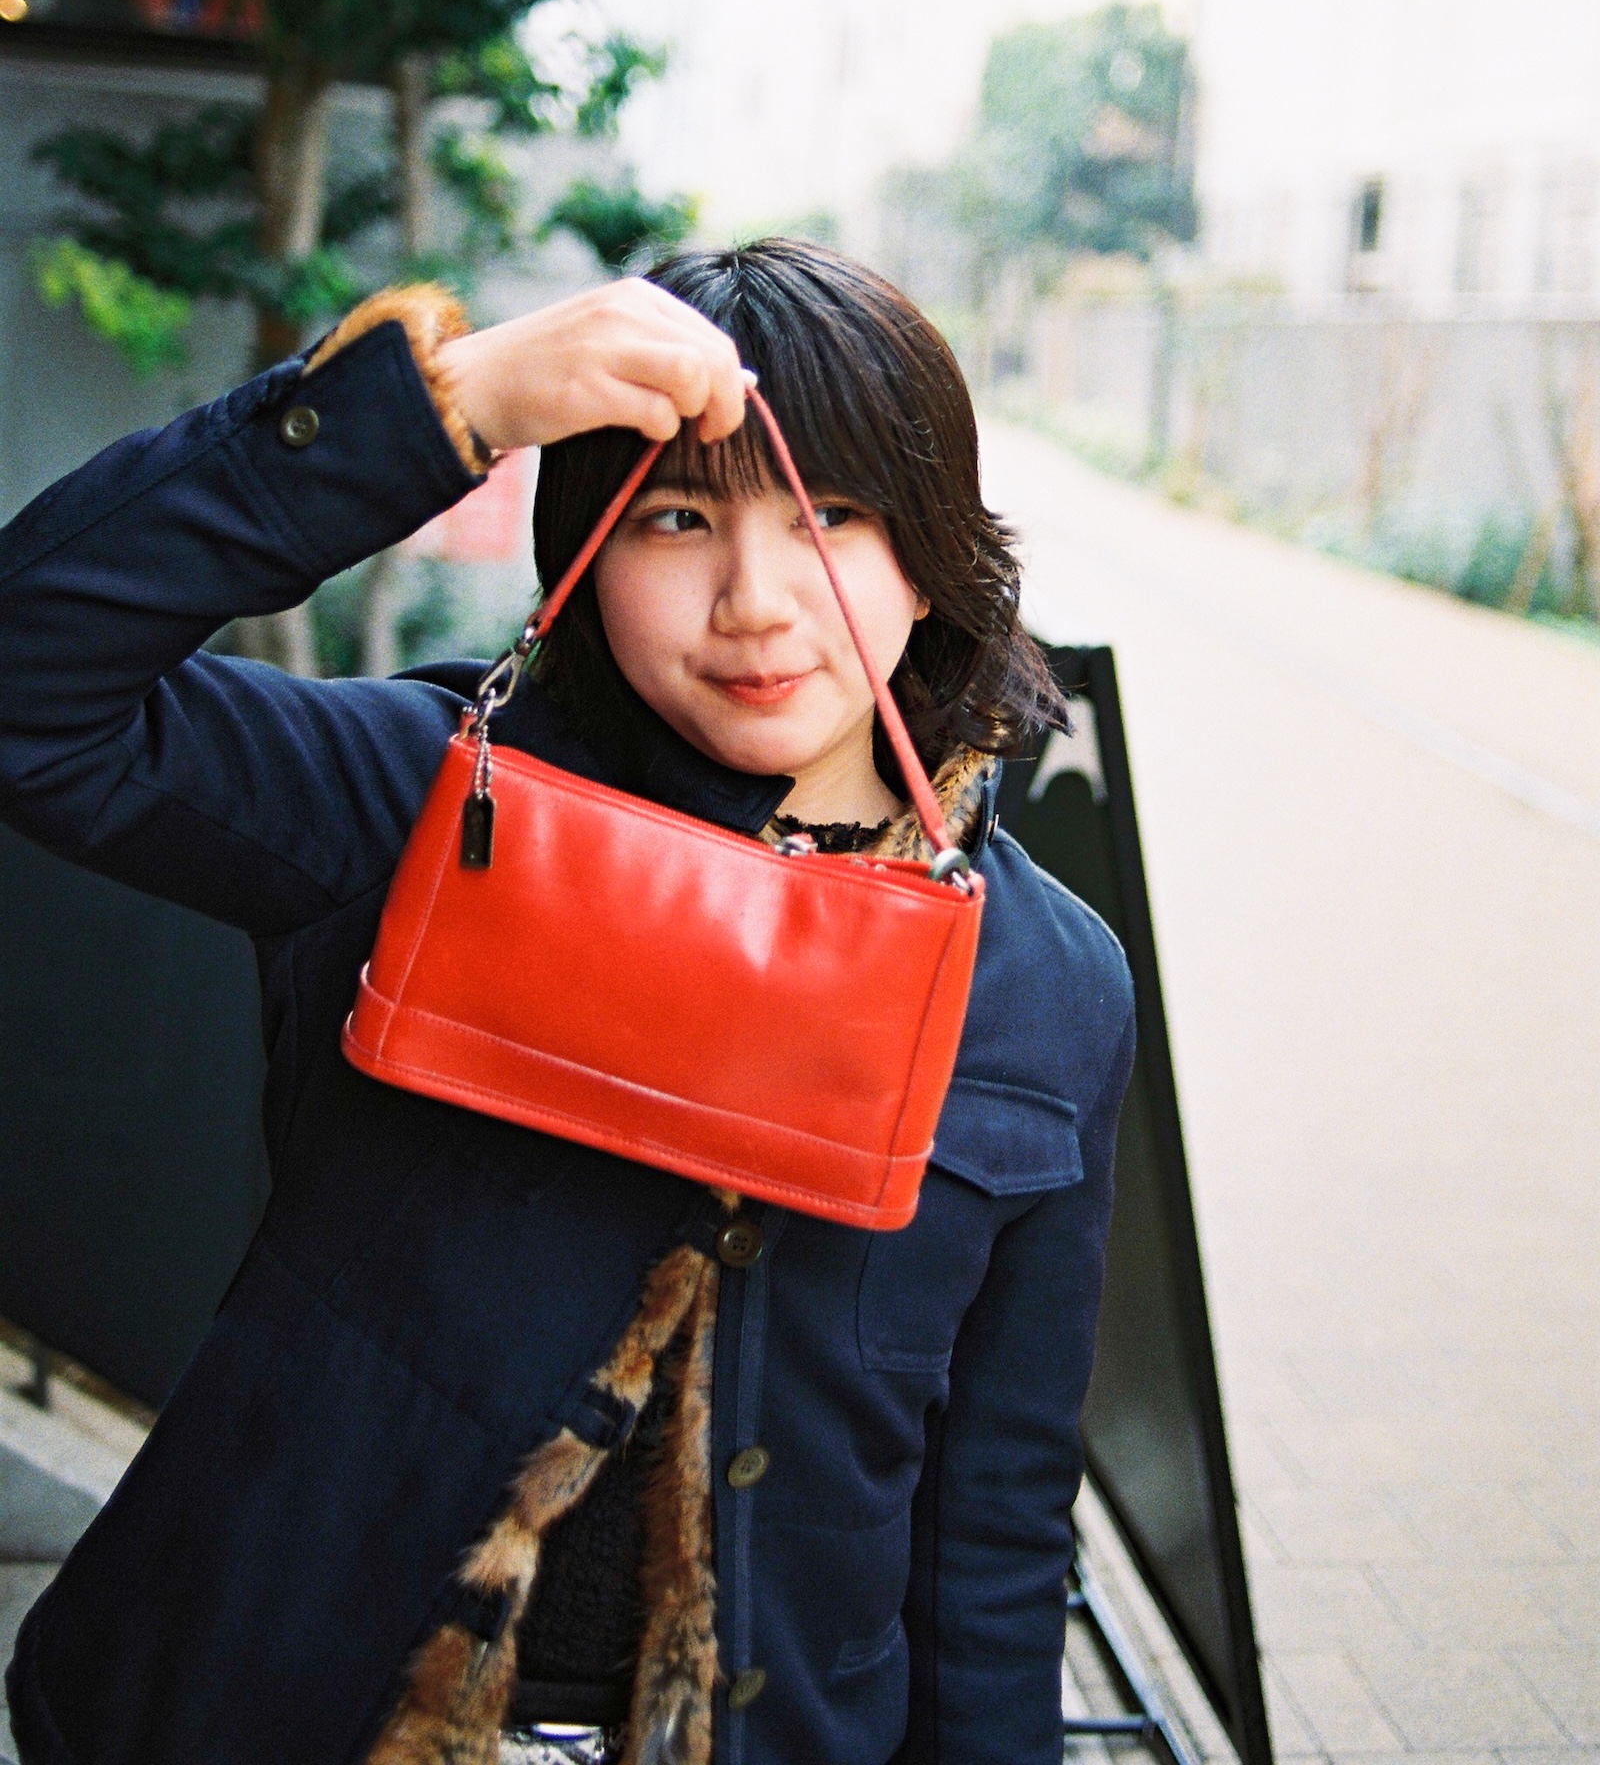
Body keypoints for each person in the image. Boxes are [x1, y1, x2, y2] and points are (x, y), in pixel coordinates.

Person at [0, 239, 1134, 1765]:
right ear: (587, 555)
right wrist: (447, 404)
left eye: (830, 518)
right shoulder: (436, 807)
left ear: (929, 552)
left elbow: (991, 1529)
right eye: (679, 517)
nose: (756, 601)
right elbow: (30, 683)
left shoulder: (1049, 985)